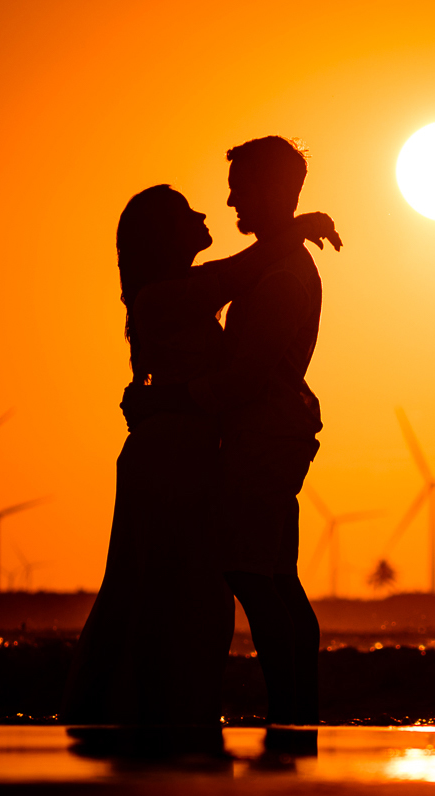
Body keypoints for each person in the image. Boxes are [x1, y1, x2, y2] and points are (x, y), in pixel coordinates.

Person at [61, 184, 338, 727]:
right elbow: (238, 274)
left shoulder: (188, 286)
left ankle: (173, 712)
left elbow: (237, 272)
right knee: (158, 587)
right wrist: (295, 227)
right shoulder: (159, 298)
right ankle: (146, 712)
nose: (210, 211)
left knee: (193, 591)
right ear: (164, 234)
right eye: (189, 213)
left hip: (192, 452)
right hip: (166, 458)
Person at [189, 136, 329, 726]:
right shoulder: (280, 261)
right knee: (278, 576)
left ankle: (289, 712)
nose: (229, 201)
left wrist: (174, 402)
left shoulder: (281, 276)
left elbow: (249, 375)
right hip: (277, 434)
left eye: (240, 187)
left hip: (264, 437)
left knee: (250, 571)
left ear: (273, 190)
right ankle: (297, 711)